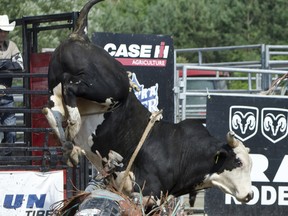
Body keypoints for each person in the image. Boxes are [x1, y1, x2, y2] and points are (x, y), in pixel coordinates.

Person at [0, 15, 23, 156]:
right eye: (1, 30)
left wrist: (3, 64)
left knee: (11, 130)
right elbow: (16, 65)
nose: (3, 34)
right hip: (6, 92)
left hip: (6, 94)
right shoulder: (11, 47)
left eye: (5, 31)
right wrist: (8, 65)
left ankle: (7, 158)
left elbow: (20, 66)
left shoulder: (12, 46)